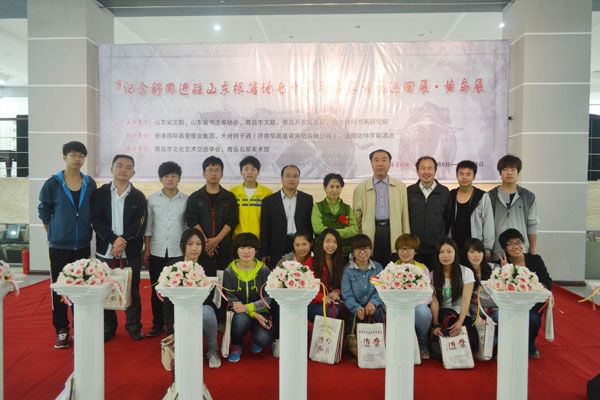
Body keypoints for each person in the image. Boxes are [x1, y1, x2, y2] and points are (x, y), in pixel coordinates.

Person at [38, 141, 97, 349]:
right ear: (65, 157)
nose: (77, 159)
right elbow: (44, 211)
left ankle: (81, 326)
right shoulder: (53, 183)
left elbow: (94, 209)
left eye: (81, 155)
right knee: (60, 288)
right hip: (59, 246)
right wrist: (54, 232)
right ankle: (62, 329)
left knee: (81, 287)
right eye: (73, 155)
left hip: (82, 244)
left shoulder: (89, 183)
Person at [91, 154, 147, 342]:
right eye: (120, 165)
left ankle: (133, 326)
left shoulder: (138, 196)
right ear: (112, 169)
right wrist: (113, 240)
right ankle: (108, 327)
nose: (124, 170)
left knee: (132, 290)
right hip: (105, 252)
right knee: (105, 289)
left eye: (128, 167)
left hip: (130, 252)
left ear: (133, 172)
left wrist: (122, 241)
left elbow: (140, 224)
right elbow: (96, 220)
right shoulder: (100, 194)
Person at [143, 161, 188, 337]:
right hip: (157, 250)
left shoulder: (186, 200)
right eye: (166, 176)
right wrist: (147, 248)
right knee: (157, 288)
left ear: (179, 178)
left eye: (174, 176)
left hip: (178, 251)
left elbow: (187, 227)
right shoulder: (152, 199)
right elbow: (149, 226)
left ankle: (175, 323)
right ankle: (157, 324)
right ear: (161, 179)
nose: (170, 179)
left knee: (176, 288)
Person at [498, 228, 552, 358]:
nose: (516, 247)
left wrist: (538, 288)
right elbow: (500, 287)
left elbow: (547, 281)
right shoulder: (503, 263)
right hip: (510, 304)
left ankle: (529, 343)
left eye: (518, 242)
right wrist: (505, 269)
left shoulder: (535, 259)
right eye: (511, 244)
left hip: (532, 304)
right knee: (498, 317)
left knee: (533, 319)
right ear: (505, 248)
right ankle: (507, 344)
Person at [223, 233, 274, 363]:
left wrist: (249, 308)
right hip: (239, 312)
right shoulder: (229, 271)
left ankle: (256, 339)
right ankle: (237, 344)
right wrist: (251, 313)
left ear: (256, 250)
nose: (246, 251)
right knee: (240, 321)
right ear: (236, 250)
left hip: (261, 311)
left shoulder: (264, 270)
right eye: (242, 247)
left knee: (264, 339)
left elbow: (267, 298)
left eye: (250, 247)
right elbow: (231, 298)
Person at [353, 149, 410, 265]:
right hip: (371, 232)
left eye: (384, 160)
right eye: (376, 160)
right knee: (372, 266)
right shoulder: (360, 188)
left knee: (393, 267)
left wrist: (406, 239)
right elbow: (356, 218)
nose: (380, 164)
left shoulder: (400, 187)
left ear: (389, 163)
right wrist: (358, 241)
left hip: (393, 231)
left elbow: (405, 216)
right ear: (371, 163)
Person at [184, 156, 238, 276]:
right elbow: (192, 221)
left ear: (222, 174)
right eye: (210, 170)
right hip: (201, 248)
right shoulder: (195, 197)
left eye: (217, 170)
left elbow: (232, 221)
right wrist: (206, 243)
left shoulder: (229, 197)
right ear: (204, 173)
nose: (213, 173)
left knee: (223, 282)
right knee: (201, 280)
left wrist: (217, 240)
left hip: (224, 247)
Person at [179, 228, 221, 368]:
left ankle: (213, 350)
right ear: (183, 245)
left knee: (207, 312)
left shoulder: (208, 264)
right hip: (179, 307)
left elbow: (210, 296)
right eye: (190, 244)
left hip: (202, 306)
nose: (194, 248)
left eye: (198, 244)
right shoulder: (173, 266)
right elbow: (167, 302)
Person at [430, 238, 478, 354]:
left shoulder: (466, 272)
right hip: (442, 314)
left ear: (455, 252)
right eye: (441, 252)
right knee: (449, 315)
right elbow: (434, 301)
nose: (445, 255)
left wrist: (460, 322)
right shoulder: (433, 274)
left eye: (449, 251)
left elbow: (466, 299)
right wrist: (435, 324)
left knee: (473, 344)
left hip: (462, 314)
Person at [260, 165, 313, 266]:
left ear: (299, 179)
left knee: (302, 272)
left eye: (295, 176)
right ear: (281, 178)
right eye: (288, 176)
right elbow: (265, 228)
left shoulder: (307, 199)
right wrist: (264, 251)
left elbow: (309, 226)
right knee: (278, 272)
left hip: (300, 244)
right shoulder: (269, 201)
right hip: (277, 245)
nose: (291, 179)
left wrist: (310, 246)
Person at [488, 155, 539, 259]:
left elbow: (533, 224)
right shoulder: (490, 196)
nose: (509, 173)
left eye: (513, 169)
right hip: (497, 251)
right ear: (500, 173)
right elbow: (486, 225)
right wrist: (487, 250)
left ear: (518, 172)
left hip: (521, 251)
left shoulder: (528, 196)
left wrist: (532, 251)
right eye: (505, 169)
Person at [407, 156, 451, 268]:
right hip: (414, 249)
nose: (426, 172)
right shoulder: (409, 191)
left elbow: (448, 219)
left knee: (436, 276)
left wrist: (439, 237)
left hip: (437, 248)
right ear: (417, 171)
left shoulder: (444, 191)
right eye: (423, 168)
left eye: (430, 168)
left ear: (435, 171)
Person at [394, 234, 432, 359]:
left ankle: (422, 344)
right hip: (397, 305)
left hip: (417, 305)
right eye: (401, 249)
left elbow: (428, 293)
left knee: (423, 312)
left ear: (415, 251)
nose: (405, 252)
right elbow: (386, 291)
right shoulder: (391, 268)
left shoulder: (422, 268)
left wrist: (412, 304)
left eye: (409, 249)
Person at [447, 160, 495, 259]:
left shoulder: (482, 196)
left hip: (475, 247)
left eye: (468, 174)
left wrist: (487, 248)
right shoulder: (451, 194)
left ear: (474, 176)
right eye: (461, 174)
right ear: (457, 175)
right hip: (454, 247)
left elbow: (488, 223)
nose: (464, 177)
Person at [341, 235, 385, 325]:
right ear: (353, 251)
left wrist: (373, 303)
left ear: (371, 250)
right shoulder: (348, 271)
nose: (362, 252)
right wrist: (356, 308)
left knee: (377, 314)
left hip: (374, 306)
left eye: (365, 248)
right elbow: (347, 294)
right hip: (354, 308)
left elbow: (380, 289)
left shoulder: (377, 268)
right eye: (358, 248)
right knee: (353, 320)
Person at [311, 173, 358, 257]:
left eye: (338, 187)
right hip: (323, 251)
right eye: (331, 186)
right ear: (325, 188)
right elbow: (317, 228)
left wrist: (332, 232)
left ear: (341, 188)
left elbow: (354, 229)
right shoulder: (317, 207)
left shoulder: (348, 208)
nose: (335, 190)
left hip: (344, 251)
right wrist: (343, 232)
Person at [308, 229, 346, 322]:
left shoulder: (340, 263)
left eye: (335, 242)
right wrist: (322, 297)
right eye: (328, 241)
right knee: (331, 311)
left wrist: (337, 292)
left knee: (344, 309)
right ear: (321, 242)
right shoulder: (311, 262)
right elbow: (306, 287)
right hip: (315, 303)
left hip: (334, 303)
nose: (331, 245)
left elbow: (344, 285)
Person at [229, 156, 272, 238]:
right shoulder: (233, 193)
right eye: (246, 169)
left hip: (259, 238)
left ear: (258, 172)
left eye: (253, 169)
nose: (249, 172)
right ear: (241, 172)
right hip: (238, 238)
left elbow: (270, 219)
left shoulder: (266, 193)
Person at [462, 238, 497, 318]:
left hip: (495, 311)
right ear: (465, 254)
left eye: (479, 252)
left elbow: (499, 298)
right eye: (472, 252)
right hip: (474, 314)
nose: (476, 255)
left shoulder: (494, 269)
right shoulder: (463, 273)